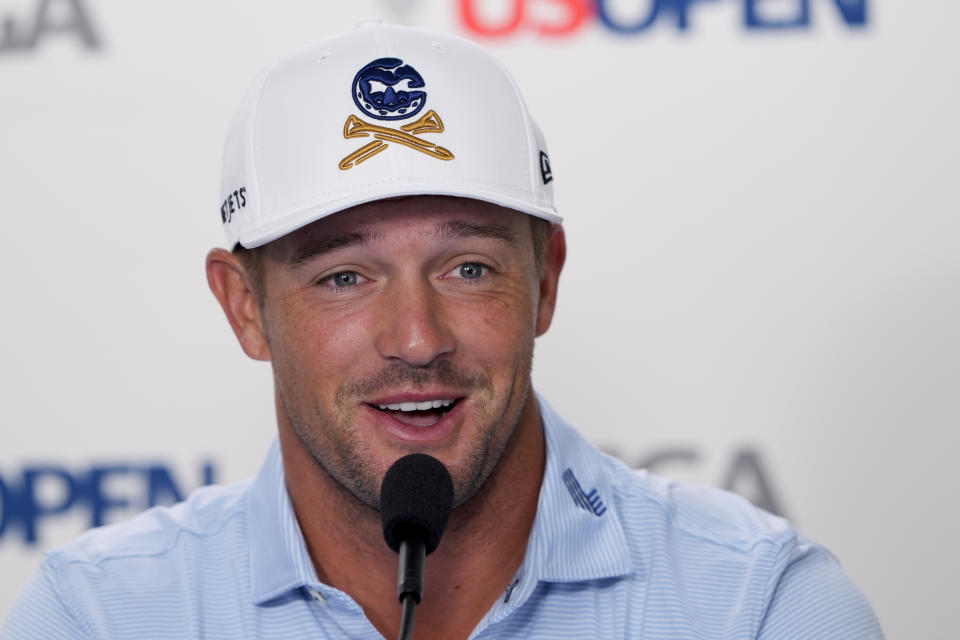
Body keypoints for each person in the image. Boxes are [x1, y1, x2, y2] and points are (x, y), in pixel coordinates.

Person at [2, 23, 884, 639]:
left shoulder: (760, 610)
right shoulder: (100, 619)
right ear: (245, 307)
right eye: (344, 277)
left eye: (469, 268)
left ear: (545, 283)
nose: (417, 338)